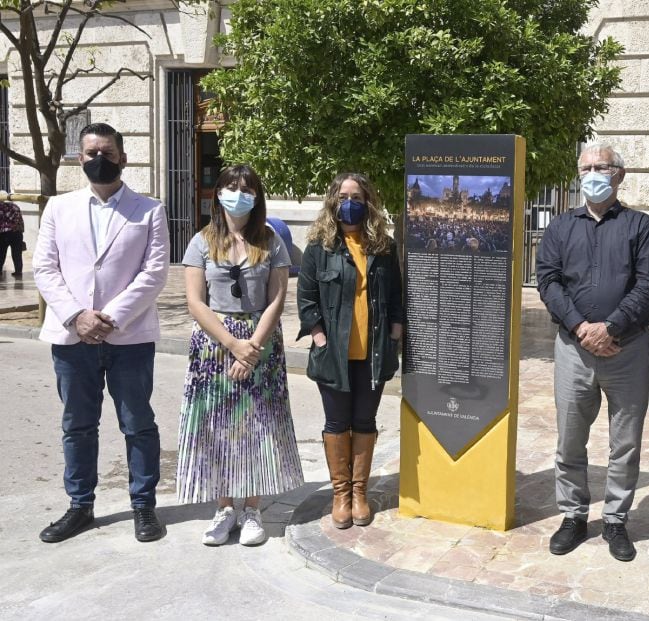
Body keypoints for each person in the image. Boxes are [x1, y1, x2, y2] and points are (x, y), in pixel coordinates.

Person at [34, 122, 169, 543]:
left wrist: (108, 317)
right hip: (72, 339)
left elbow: (155, 272)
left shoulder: (149, 210)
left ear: (123, 157)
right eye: (91, 152)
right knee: (78, 425)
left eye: (107, 152)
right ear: (79, 158)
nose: (99, 159)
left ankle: (143, 506)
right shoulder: (58, 208)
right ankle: (80, 506)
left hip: (128, 338)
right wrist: (77, 316)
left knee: (138, 423)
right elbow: (45, 268)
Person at [536, 143, 649, 562]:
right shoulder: (560, 227)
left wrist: (610, 327)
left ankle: (615, 520)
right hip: (573, 351)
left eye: (601, 167)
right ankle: (573, 515)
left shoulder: (641, 226)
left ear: (619, 175)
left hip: (627, 350)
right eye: (586, 167)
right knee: (570, 439)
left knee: (624, 443)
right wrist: (580, 327)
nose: (592, 173)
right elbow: (548, 281)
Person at [176, 164, 304, 546]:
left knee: (256, 426)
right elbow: (195, 302)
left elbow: (277, 298)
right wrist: (232, 345)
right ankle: (224, 508)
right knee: (217, 426)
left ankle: (252, 509)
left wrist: (251, 350)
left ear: (257, 197)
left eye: (247, 188)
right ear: (218, 193)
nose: (239, 194)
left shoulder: (271, 241)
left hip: (260, 344)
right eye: (232, 187)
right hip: (214, 345)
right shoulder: (201, 241)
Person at [297, 172, 403, 529]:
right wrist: (319, 337)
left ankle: (360, 493)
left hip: (372, 353)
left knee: (365, 422)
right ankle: (340, 494)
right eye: (343, 196)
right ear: (333, 201)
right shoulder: (319, 247)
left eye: (356, 196)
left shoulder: (383, 248)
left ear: (368, 202)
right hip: (334, 356)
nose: (349, 202)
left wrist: (394, 336)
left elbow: (397, 297)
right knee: (337, 423)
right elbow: (306, 297)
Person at [0, 198, 25, 279]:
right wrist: (21, 231)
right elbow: (20, 220)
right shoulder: (16, 207)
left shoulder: (1, 207)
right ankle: (18, 271)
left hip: (4, 233)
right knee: (17, 253)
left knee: (1, 253)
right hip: (17, 233)